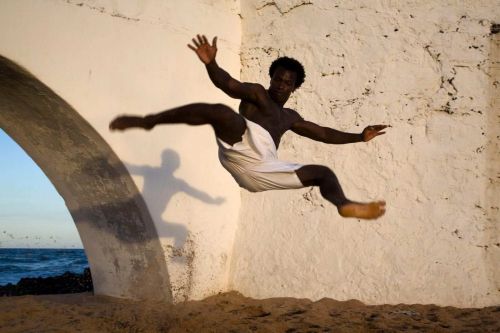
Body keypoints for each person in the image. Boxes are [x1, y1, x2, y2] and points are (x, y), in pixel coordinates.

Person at [110, 34, 388, 219]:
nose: (280, 85)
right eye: (277, 79)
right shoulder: (256, 93)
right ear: (271, 78)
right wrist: (211, 64)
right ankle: (149, 122)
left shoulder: (291, 117)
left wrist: (360, 137)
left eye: (287, 82)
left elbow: (324, 134)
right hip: (241, 148)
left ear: (295, 87)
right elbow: (226, 83)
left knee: (323, 173)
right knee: (219, 111)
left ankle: (344, 206)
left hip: (263, 169)